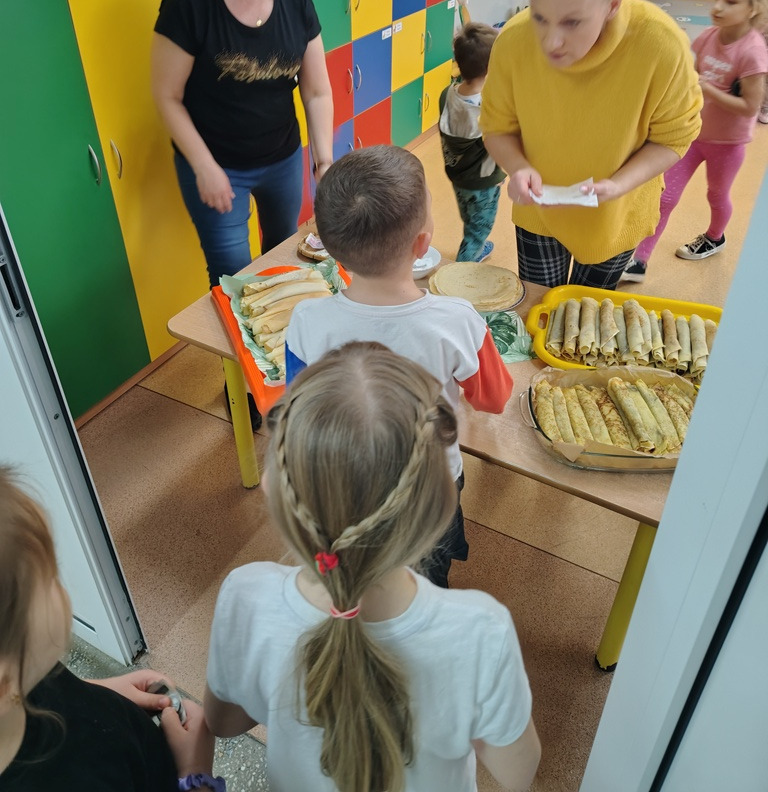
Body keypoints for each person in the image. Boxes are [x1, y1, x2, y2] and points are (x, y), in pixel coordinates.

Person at [204, 344, 540, 792]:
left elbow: (224, 722)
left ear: (274, 489)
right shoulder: (481, 631)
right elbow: (518, 773)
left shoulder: (246, 596)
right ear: (438, 507)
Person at [284, 145, 513, 588]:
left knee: (359, 575)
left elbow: (298, 409)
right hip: (430, 490)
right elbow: (494, 399)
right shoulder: (458, 319)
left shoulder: (306, 320)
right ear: (423, 244)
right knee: (426, 581)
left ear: (331, 250)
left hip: (344, 488)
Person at [480, 0, 702, 291]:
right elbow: (497, 127)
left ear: (614, 3)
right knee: (539, 306)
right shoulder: (513, 42)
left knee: (587, 310)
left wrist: (619, 185)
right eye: (540, 17)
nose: (551, 42)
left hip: (616, 213)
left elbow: (673, 138)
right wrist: (518, 167)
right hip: (540, 213)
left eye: (572, 22)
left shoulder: (661, 44)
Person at [151, 0, 334, 289]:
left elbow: (317, 91)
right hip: (217, 162)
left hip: (282, 157)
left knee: (282, 256)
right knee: (232, 276)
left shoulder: (296, 1)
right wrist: (204, 166)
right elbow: (166, 96)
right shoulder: (188, 2)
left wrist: (323, 161)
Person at [0, 468, 221, 791]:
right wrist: (195, 774)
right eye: (49, 579)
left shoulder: (21, 672)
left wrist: (100, 691)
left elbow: (42, 688)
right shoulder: (81, 780)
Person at [622, 0, 768, 282]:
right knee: (665, 197)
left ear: (754, 8)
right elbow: (689, 75)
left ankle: (715, 237)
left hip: (728, 144)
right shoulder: (708, 37)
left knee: (716, 195)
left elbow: (749, 108)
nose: (718, 7)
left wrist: (709, 89)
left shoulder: (752, 52)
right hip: (691, 135)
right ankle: (640, 260)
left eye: (730, 1)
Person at [439, 22, 506, 263]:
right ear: (491, 67)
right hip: (483, 181)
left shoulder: (447, 94)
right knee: (480, 226)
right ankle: (464, 266)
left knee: (470, 216)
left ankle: (476, 242)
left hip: (458, 175)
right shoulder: (487, 109)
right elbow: (500, 145)